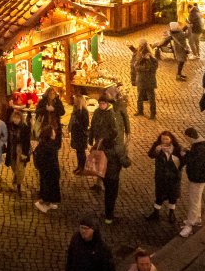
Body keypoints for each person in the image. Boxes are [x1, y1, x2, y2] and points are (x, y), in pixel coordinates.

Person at [91, 95, 128, 224]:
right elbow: (126, 162)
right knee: (111, 195)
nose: (101, 106)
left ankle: (108, 215)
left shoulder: (101, 148)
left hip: (104, 174)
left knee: (108, 194)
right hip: (112, 176)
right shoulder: (116, 150)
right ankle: (109, 217)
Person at [145, 131, 183, 225]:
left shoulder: (176, 148)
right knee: (159, 195)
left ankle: (171, 213)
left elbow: (182, 161)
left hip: (174, 176)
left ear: (171, 139)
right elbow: (150, 155)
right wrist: (157, 151)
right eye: (163, 139)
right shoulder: (157, 145)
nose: (164, 141)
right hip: (161, 176)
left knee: (172, 195)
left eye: (166, 139)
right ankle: (156, 212)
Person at [179, 128, 205, 237]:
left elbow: (194, 161)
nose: (186, 139)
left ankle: (190, 226)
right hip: (199, 178)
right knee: (197, 198)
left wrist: (185, 155)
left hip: (197, 179)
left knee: (194, 201)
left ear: (190, 137)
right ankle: (197, 219)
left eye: (186, 137)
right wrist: (187, 152)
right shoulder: (200, 146)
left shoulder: (199, 148)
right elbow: (194, 156)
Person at [33, 116, 63, 213]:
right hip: (49, 171)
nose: (55, 133)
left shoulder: (48, 143)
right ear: (49, 134)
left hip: (49, 170)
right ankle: (43, 203)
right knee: (48, 188)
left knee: (49, 188)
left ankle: (49, 203)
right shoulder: (48, 145)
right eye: (53, 132)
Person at [7, 107, 33, 195]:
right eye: (14, 117)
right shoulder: (11, 127)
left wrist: (25, 154)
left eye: (17, 118)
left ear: (21, 118)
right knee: (14, 166)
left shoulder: (24, 128)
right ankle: (16, 178)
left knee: (20, 169)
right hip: (12, 150)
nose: (15, 119)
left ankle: (19, 186)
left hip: (21, 150)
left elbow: (27, 142)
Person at [132, 43, 159, 119]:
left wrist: (148, 61)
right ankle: (140, 111)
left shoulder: (153, 61)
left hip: (150, 82)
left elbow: (153, 68)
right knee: (140, 97)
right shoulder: (140, 60)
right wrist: (145, 68)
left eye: (147, 54)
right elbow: (136, 67)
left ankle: (152, 115)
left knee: (151, 99)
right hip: (141, 81)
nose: (146, 56)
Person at [68, 98, 92, 175]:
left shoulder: (84, 111)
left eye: (75, 100)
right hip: (76, 133)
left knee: (81, 151)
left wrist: (77, 123)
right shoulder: (75, 109)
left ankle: (83, 168)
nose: (74, 101)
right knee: (78, 151)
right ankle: (79, 166)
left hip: (81, 134)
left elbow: (85, 124)